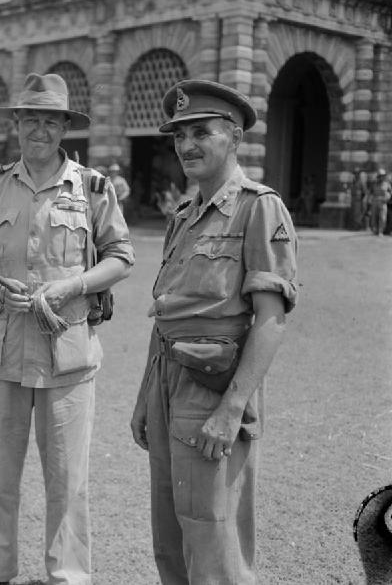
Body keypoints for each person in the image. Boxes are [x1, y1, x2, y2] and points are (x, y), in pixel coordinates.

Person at [0, 73, 135, 585]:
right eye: (31, 118)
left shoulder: (93, 189)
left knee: (67, 479)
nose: (40, 129)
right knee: (1, 477)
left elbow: (121, 256)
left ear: (65, 128)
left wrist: (70, 286)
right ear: (17, 124)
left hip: (67, 350)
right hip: (4, 349)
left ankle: (69, 574)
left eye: (50, 121)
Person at [129, 79, 298, 585]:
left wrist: (231, 409)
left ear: (234, 138)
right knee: (171, 534)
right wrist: (144, 397)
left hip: (214, 388)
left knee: (213, 533)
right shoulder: (184, 216)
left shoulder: (257, 207)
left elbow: (271, 318)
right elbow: (166, 316)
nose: (186, 146)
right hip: (168, 385)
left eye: (201, 132)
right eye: (179, 136)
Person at [369, 168, 391, 236]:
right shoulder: (374, 184)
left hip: (383, 202)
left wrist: (388, 197)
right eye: (380, 175)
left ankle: (381, 231)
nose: (382, 177)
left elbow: (390, 192)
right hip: (375, 202)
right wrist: (370, 200)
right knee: (374, 217)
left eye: (383, 176)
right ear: (378, 176)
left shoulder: (387, 184)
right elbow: (370, 193)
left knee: (383, 217)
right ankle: (375, 230)